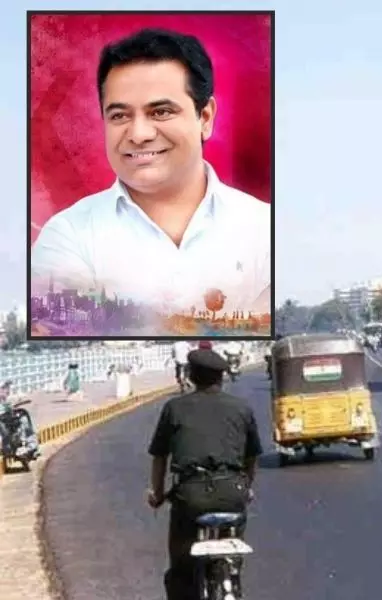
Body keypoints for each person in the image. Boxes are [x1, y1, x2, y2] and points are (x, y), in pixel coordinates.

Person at [30, 28, 271, 322]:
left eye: (160, 112)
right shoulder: (68, 236)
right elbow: (60, 328)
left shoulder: (263, 228)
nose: (139, 134)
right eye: (120, 116)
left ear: (204, 118)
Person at [146, 348, 263, 600]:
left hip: (191, 496)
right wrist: (247, 486)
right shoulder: (241, 408)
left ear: (190, 375)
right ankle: (232, 573)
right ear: (221, 378)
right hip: (233, 491)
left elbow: (159, 457)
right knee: (234, 531)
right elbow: (252, 456)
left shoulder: (174, 408)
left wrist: (157, 494)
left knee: (181, 565)